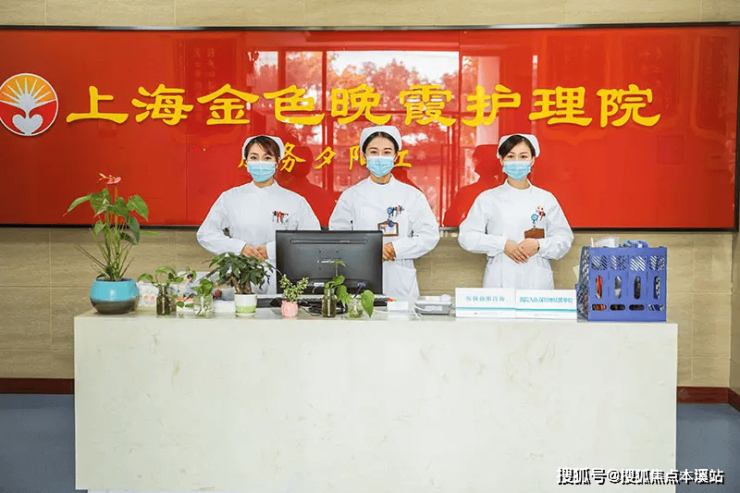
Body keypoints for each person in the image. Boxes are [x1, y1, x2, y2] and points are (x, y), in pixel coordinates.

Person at [197, 135, 320, 293]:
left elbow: (311, 240)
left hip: (282, 280)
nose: (260, 163)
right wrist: (239, 247)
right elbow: (205, 234)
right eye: (254, 158)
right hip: (241, 279)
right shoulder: (230, 198)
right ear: (246, 162)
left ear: (277, 162)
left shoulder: (295, 201)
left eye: (267, 158)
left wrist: (273, 250)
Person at [329, 125, 439, 302]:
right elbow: (337, 237)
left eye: (387, 152)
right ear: (363, 155)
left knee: (399, 317)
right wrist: (370, 249)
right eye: (374, 152)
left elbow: (429, 235)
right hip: (361, 274)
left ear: (396, 156)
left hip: (399, 279)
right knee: (362, 315)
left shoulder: (412, 195)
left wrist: (396, 248)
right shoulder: (351, 196)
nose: (380, 157)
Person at [458, 134, 573, 289]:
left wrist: (539, 245)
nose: (517, 161)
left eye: (523, 156)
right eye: (511, 156)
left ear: (532, 160)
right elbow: (467, 237)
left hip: (537, 282)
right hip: (500, 280)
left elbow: (564, 238)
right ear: (501, 160)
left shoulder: (546, 199)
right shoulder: (488, 199)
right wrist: (502, 244)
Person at [443, 144, 502, 226]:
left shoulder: (466, 192)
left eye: (476, 160)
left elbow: (449, 221)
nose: (473, 163)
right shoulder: (506, 192)